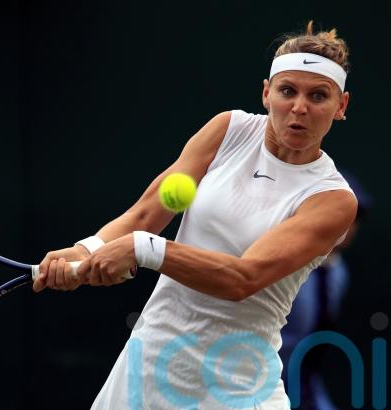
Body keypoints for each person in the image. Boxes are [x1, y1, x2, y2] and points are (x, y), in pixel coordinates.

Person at [33, 21, 357, 409]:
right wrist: (87, 249)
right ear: (266, 93)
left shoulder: (332, 199)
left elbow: (243, 278)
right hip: (145, 368)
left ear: (340, 106)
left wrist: (142, 249)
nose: (299, 107)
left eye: (318, 96)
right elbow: (146, 213)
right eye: (287, 91)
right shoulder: (228, 129)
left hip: (237, 391)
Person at [279, 171, 371, 410]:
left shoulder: (339, 273)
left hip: (303, 385)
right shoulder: (280, 263)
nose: (347, 225)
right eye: (339, 213)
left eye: (355, 217)